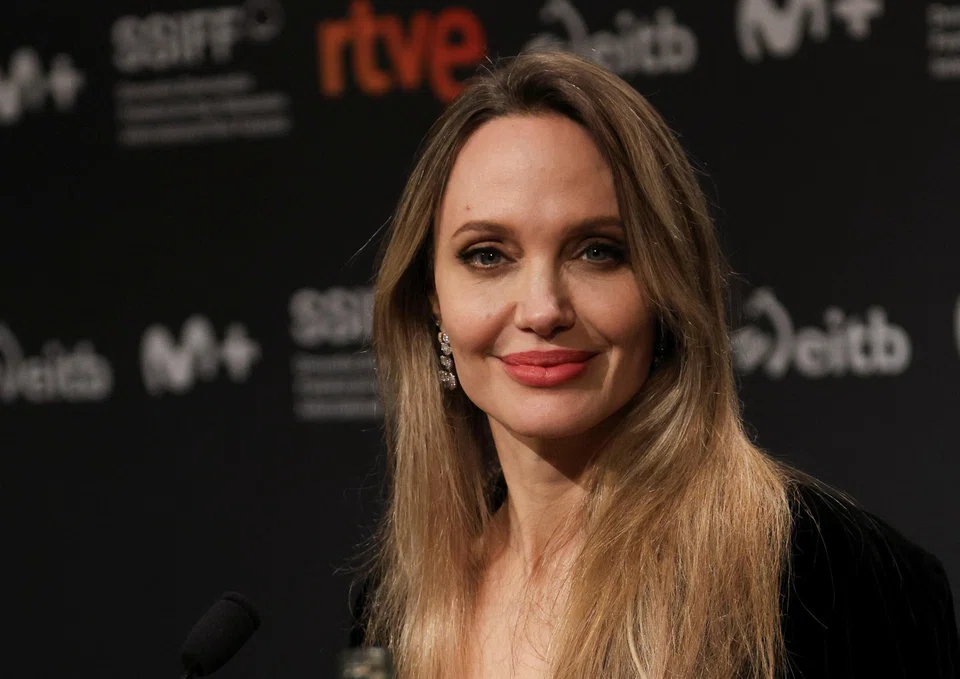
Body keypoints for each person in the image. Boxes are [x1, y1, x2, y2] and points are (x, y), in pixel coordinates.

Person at [348, 50, 959, 679]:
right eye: (486, 256)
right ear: (431, 301)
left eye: (597, 251)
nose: (542, 309)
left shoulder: (831, 578)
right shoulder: (392, 610)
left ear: (666, 285)